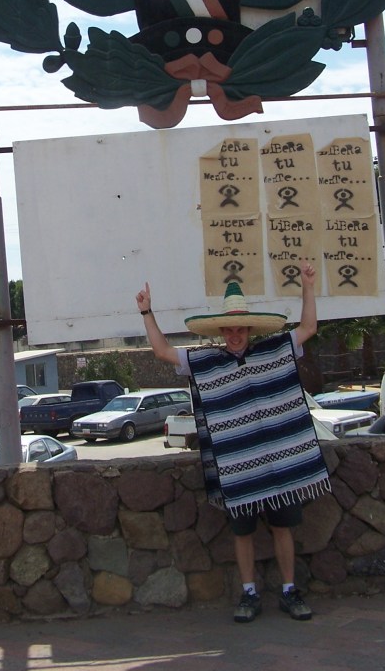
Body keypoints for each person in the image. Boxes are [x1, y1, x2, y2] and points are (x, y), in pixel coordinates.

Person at [136, 261, 328, 623]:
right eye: (230, 329)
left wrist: (307, 286)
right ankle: (249, 593)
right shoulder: (206, 361)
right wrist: (147, 312)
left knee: (282, 527)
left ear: (249, 330)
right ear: (222, 330)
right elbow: (162, 351)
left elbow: (308, 328)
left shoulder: (273, 351)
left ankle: (289, 590)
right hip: (237, 467)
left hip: (280, 463)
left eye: (241, 329)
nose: (235, 335)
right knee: (243, 533)